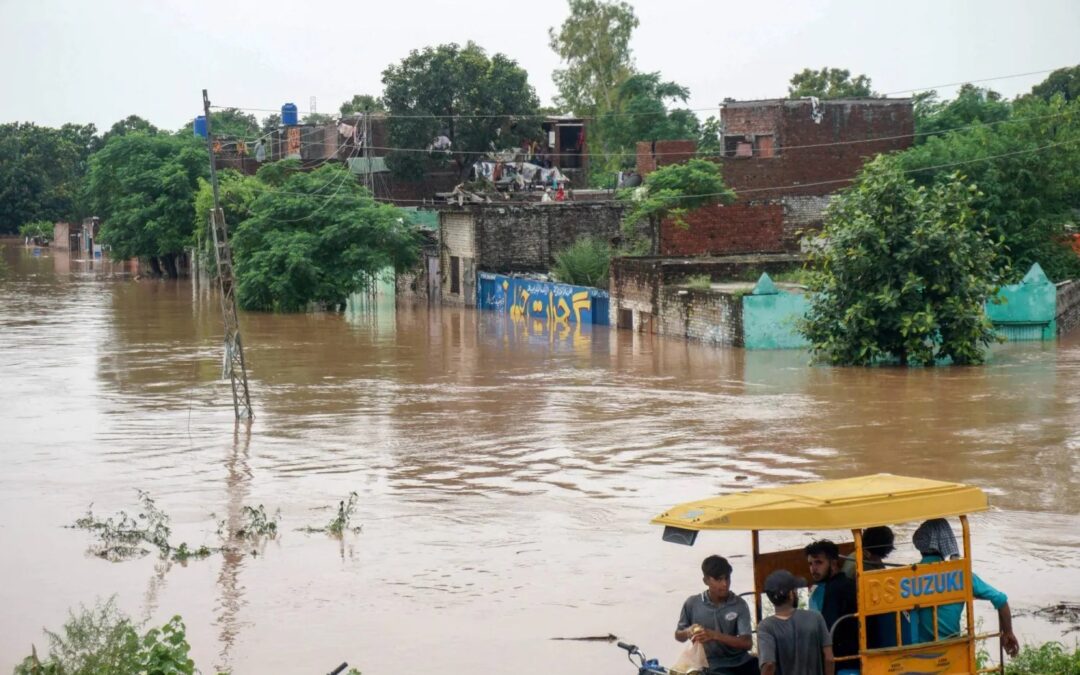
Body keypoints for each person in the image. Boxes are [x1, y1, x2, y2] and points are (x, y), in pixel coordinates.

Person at [908, 519, 1019, 657]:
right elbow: (1001, 600)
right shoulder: (961, 575)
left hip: (918, 654)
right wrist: (1008, 632)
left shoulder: (908, 577)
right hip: (953, 652)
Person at [675, 555, 758, 675]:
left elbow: (747, 643)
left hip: (741, 661)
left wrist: (714, 635)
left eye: (727, 578)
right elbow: (679, 636)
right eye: (719, 579)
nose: (725, 584)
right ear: (706, 581)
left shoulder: (739, 604)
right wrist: (688, 631)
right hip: (712, 665)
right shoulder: (692, 604)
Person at [758, 569, 834, 675]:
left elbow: (769, 664)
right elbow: (829, 658)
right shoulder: (815, 617)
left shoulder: (766, 626)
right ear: (791, 594)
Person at [805, 540, 859, 673]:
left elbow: (827, 630)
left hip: (842, 659)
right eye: (810, 564)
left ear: (833, 563)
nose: (813, 568)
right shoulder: (839, 584)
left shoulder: (835, 589)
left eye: (819, 562)